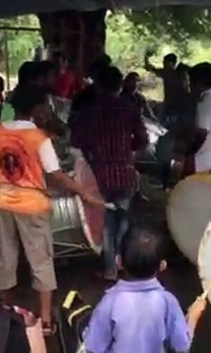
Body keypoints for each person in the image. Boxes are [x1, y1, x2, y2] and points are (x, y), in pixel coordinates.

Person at [0, 85, 104, 336]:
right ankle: (46, 319)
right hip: (32, 205)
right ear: (37, 110)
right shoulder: (39, 139)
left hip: (2, 203)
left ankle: (4, 313)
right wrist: (83, 192)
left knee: (4, 258)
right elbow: (56, 175)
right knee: (41, 259)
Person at [70, 66, 148, 281]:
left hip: (99, 175)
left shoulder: (89, 111)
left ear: (98, 85)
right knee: (123, 221)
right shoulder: (129, 108)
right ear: (120, 85)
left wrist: (92, 153)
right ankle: (121, 263)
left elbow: (76, 141)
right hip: (125, 173)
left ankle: (109, 269)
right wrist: (128, 154)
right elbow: (142, 139)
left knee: (106, 222)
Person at [83, 225, 207, 353]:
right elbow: (182, 346)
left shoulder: (109, 302)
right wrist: (193, 316)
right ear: (162, 266)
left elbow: (93, 347)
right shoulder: (167, 302)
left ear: (118, 261)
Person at [190, 63, 211, 173]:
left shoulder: (206, 101)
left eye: (191, 82)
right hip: (210, 155)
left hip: (200, 158)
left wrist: (188, 155)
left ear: (198, 83)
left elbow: (202, 133)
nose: (190, 87)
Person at [144, 52, 188, 127]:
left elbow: (151, 68)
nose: (163, 65)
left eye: (165, 63)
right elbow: (151, 68)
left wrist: (146, 58)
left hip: (176, 106)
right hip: (173, 105)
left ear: (171, 63)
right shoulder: (171, 73)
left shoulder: (171, 74)